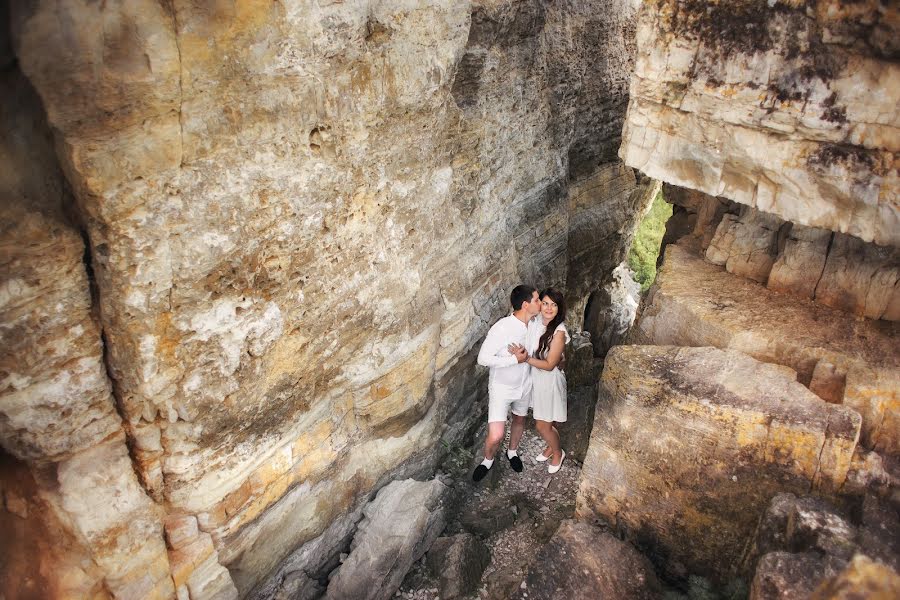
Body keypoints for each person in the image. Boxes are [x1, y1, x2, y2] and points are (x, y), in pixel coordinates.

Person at [472, 285, 542, 482]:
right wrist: (513, 360)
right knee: (496, 435)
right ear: (526, 304)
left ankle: (512, 452)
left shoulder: (535, 324)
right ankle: (487, 460)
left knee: (520, 419)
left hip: (525, 384)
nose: (540, 303)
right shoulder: (502, 327)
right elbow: (483, 358)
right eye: (537, 300)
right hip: (502, 388)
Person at [525, 288, 569, 474]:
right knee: (548, 422)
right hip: (537, 380)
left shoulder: (559, 332)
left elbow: (550, 364)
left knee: (542, 425)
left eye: (554, 305)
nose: (549, 308)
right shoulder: (535, 322)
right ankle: (552, 445)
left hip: (549, 382)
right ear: (539, 304)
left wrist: (525, 359)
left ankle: (558, 452)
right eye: (545, 303)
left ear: (559, 308)